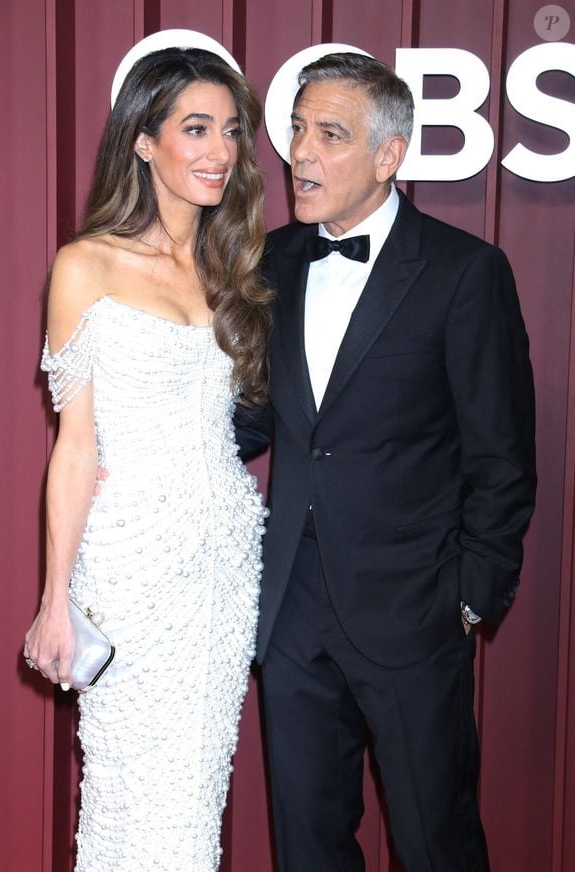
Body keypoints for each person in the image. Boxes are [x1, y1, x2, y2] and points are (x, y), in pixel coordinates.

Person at [236, 52, 536, 872]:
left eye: (329, 135)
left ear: (388, 155)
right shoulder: (272, 262)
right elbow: (258, 419)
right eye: (297, 131)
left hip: (414, 612)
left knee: (437, 843)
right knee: (308, 848)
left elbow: (502, 457)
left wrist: (470, 600)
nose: (300, 153)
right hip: (293, 614)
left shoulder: (465, 272)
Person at [23, 46, 271, 872]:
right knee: (130, 787)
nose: (219, 151)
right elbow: (75, 446)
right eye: (195, 129)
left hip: (222, 569)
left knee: (194, 793)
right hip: (131, 568)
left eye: (231, 132)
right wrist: (56, 599)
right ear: (142, 140)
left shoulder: (232, 264)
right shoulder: (85, 265)